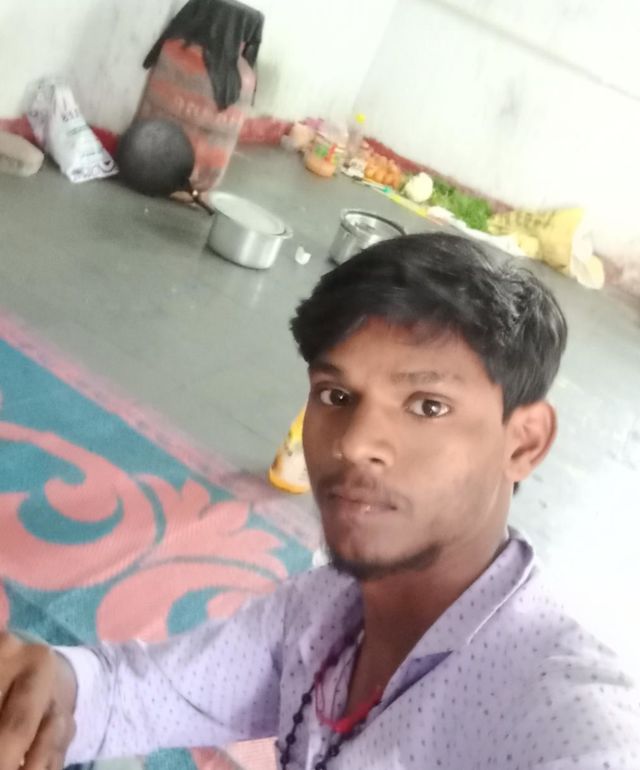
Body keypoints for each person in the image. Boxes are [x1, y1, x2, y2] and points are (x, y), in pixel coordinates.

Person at [0, 233, 638, 770]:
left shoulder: (558, 711)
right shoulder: (323, 609)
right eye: (336, 395)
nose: (355, 444)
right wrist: (51, 689)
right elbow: (145, 693)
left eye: (427, 406)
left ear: (524, 443)